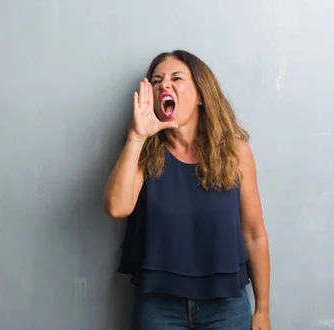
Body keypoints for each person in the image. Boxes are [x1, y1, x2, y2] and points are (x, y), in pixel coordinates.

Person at [103, 50, 271, 330]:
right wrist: (136, 137)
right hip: (158, 307)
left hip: (226, 307)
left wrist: (262, 310)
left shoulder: (236, 153)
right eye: (156, 81)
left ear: (201, 94)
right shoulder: (143, 151)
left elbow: (254, 235)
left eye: (176, 78)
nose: (164, 85)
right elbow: (116, 207)